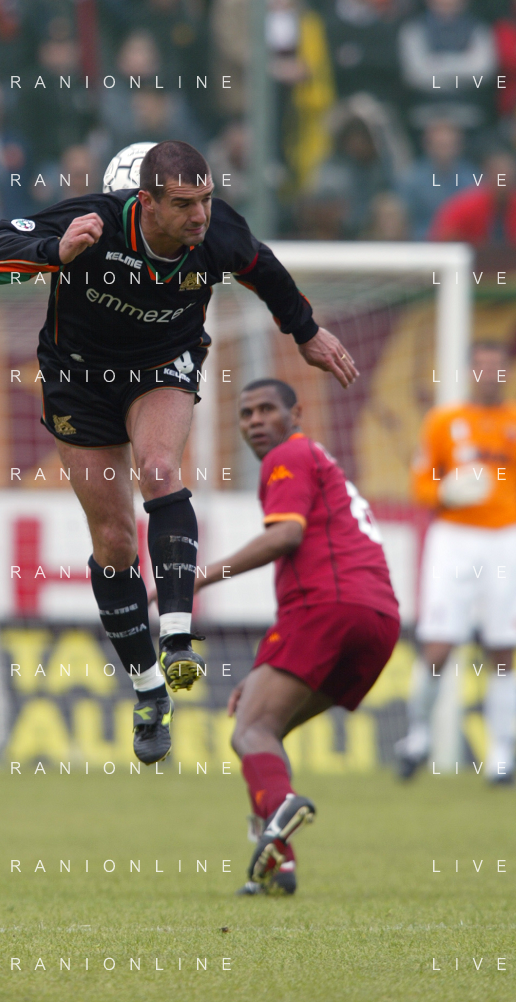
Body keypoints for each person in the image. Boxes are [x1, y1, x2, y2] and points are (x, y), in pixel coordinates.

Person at [0, 140, 358, 765]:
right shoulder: (96, 220)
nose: (199, 215)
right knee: (114, 542)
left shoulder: (217, 231)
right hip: (78, 378)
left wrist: (306, 333)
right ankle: (149, 688)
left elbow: (264, 269)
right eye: (183, 204)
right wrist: (53, 252)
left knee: (158, 468)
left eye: (205, 200)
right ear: (145, 202)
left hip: (161, 365)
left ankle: (178, 636)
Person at [195, 379, 399, 895]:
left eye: (267, 409)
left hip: (327, 606)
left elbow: (286, 535)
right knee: (263, 730)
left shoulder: (287, 455)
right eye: (246, 414)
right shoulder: (322, 464)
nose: (255, 421)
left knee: (250, 730)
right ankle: (277, 866)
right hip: (379, 621)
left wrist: (198, 577)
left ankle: (282, 813)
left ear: (296, 414)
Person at [395, 342, 516, 785]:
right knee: (439, 646)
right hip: (454, 539)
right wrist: (446, 492)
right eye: (482, 366)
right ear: (470, 371)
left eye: (497, 367)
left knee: (503, 649)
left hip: (506, 539)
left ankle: (501, 753)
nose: (490, 374)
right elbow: (421, 482)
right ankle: (418, 737)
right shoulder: (443, 421)